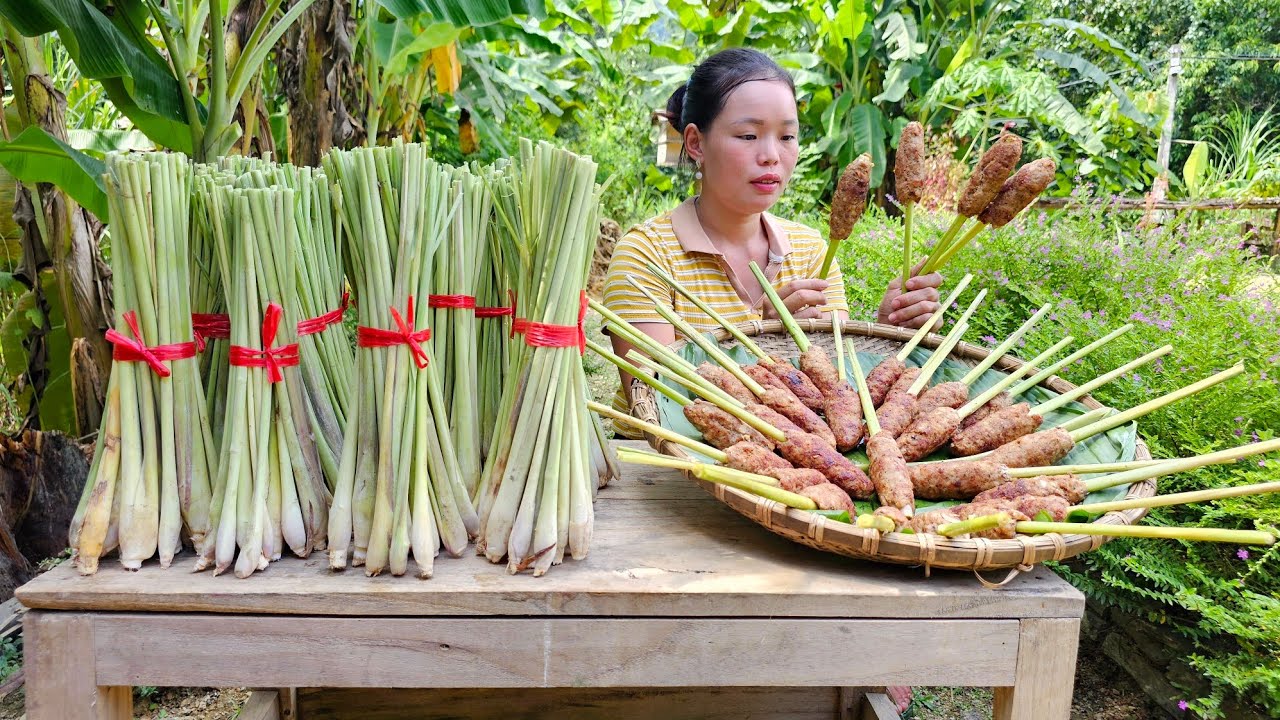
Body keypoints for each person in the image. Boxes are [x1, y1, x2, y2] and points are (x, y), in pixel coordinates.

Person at [602, 47, 944, 422]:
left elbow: (830, 398)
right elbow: (658, 398)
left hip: (786, 468)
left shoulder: (811, 251)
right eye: (748, 136)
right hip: (662, 469)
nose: (771, 155)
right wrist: (760, 342)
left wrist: (885, 332)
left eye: (787, 136)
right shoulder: (646, 255)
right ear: (696, 143)